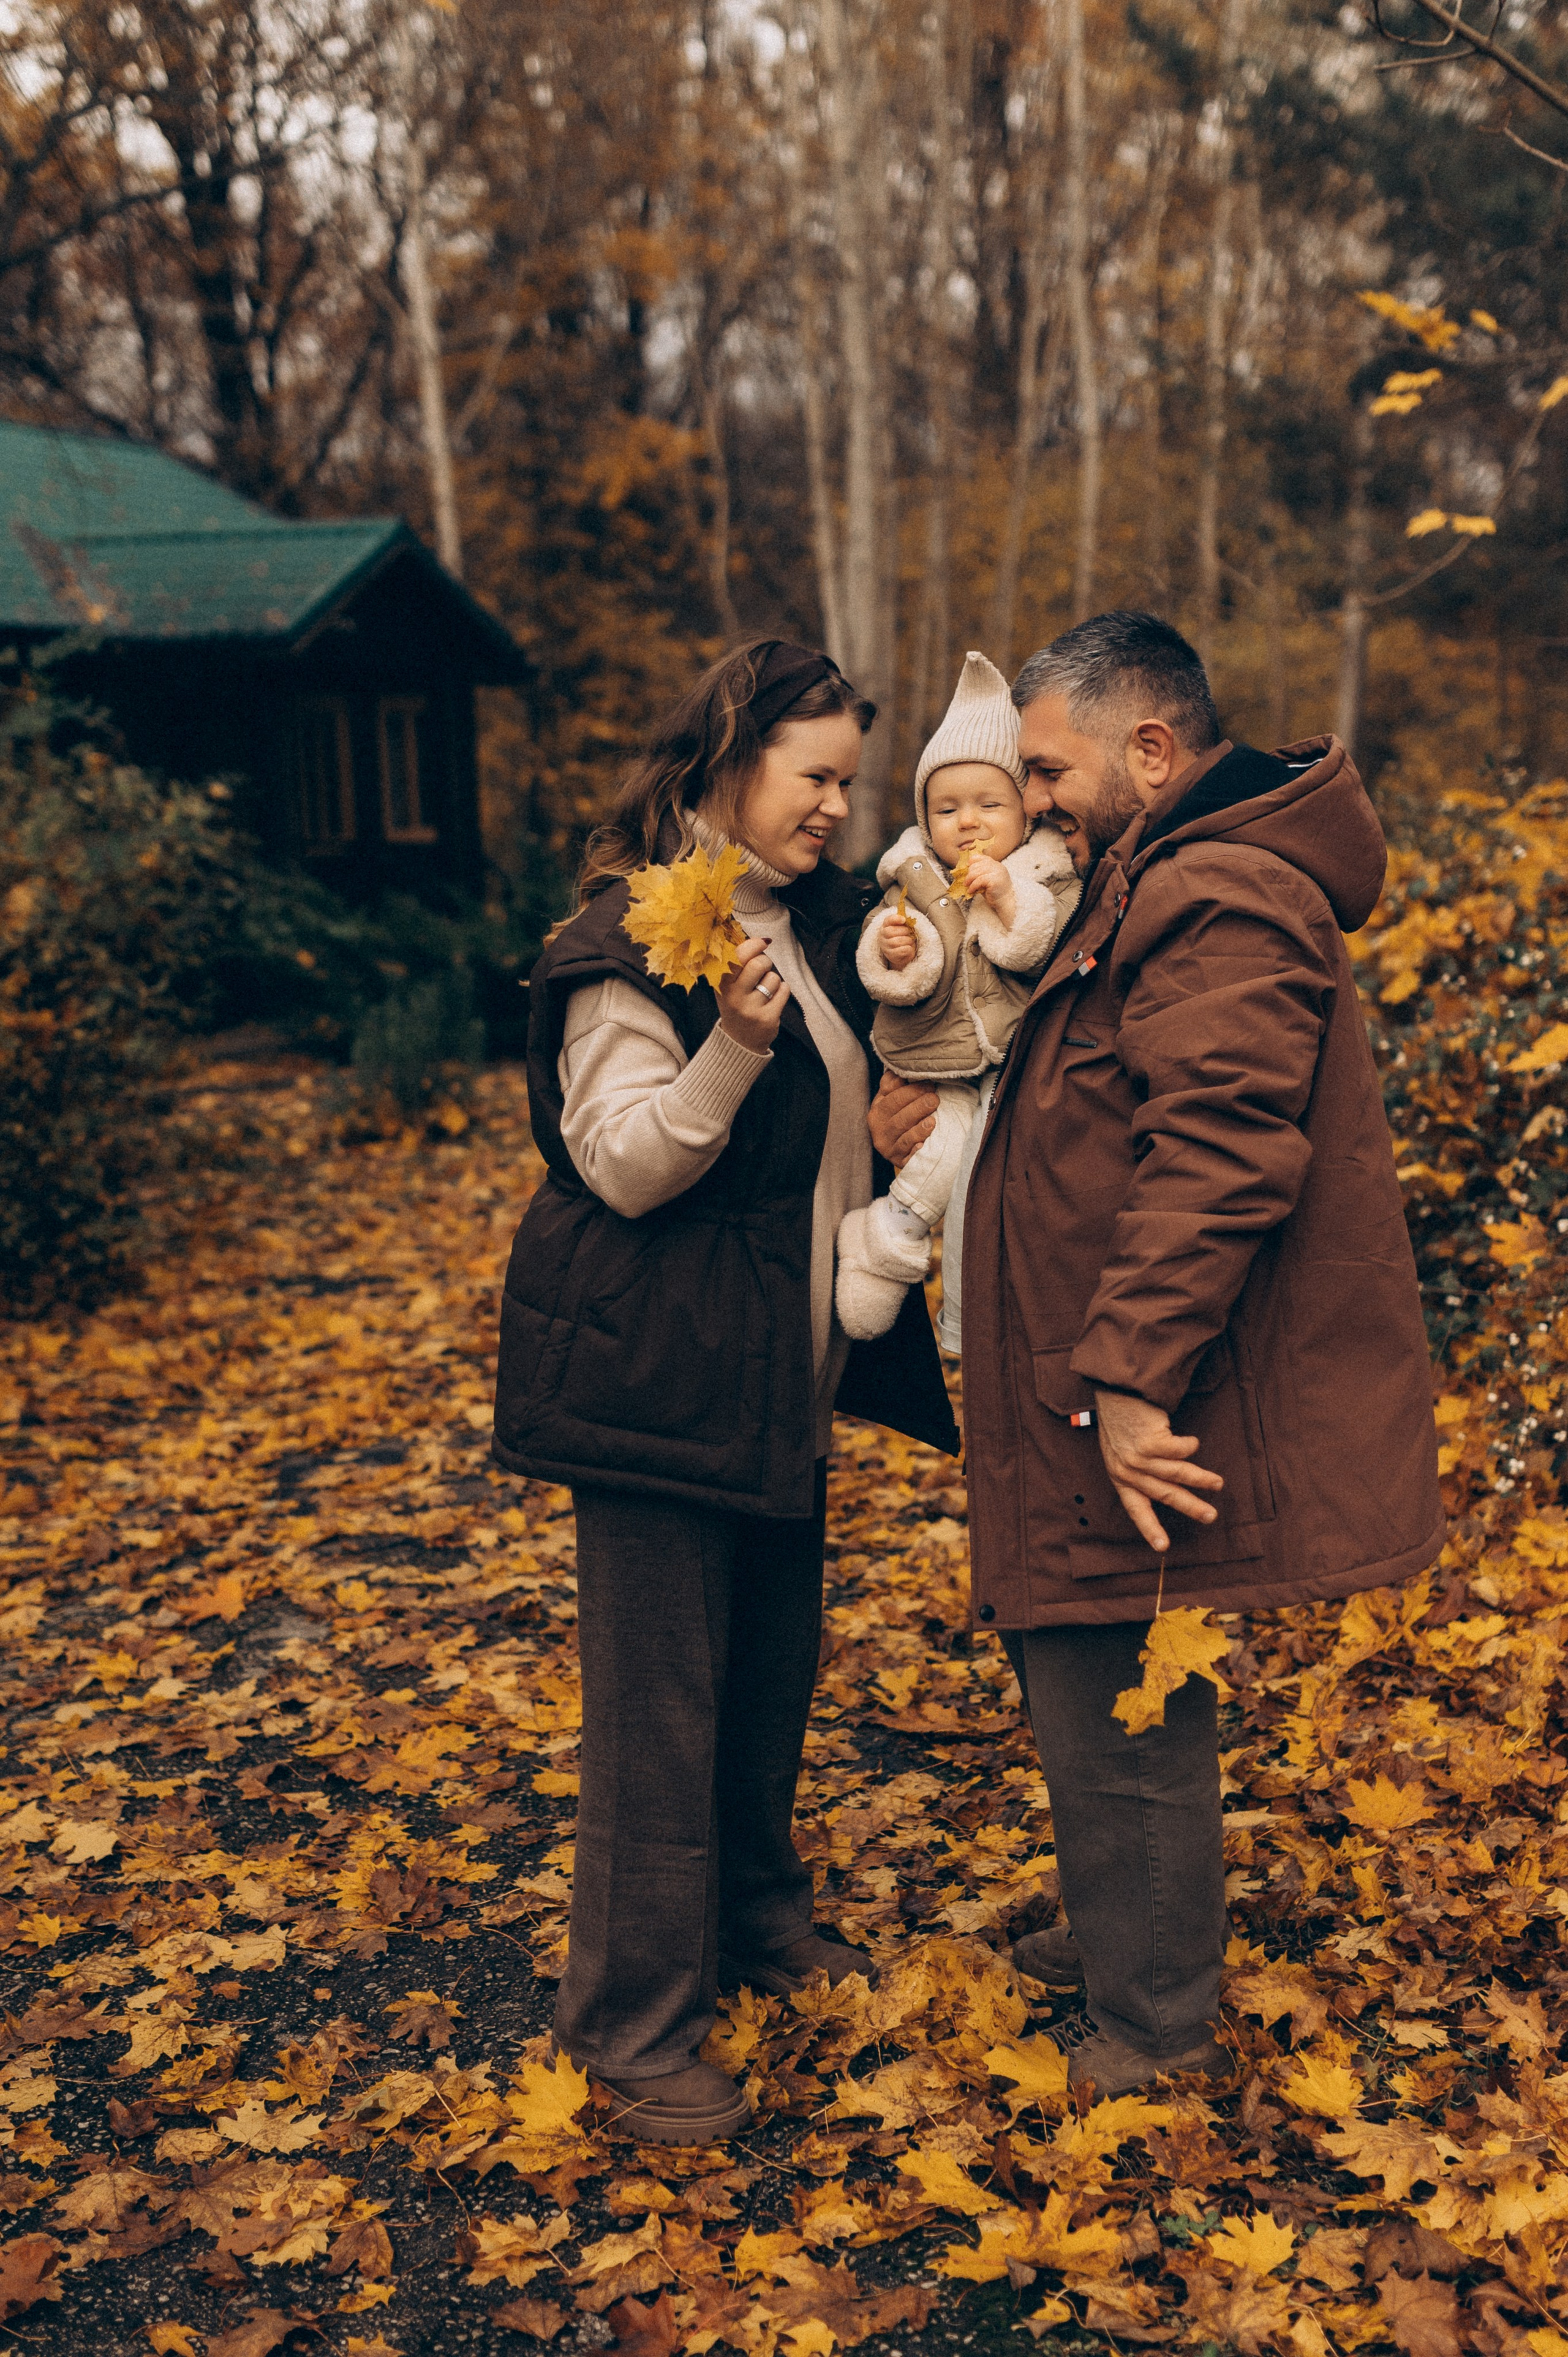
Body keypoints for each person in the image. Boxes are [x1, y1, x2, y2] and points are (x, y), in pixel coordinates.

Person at [934, 609, 1442, 2098]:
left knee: (1117, 1676)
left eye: (1047, 771)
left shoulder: (1217, 892)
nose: (1030, 801)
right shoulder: (1153, 871)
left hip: (1133, 1373)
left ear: (1149, 749)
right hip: (1088, 1358)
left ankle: (1152, 2024)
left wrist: (1130, 1372)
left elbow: (1216, 1150)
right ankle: (1123, 1929)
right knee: (1078, 1652)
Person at [491, 637, 957, 2146]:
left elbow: (816, 1135)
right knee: (658, 1713)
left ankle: (754, 1920)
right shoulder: (627, 943)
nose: (834, 806)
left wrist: (887, 1123)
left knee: (763, 1674)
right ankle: (628, 2028)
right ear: (727, 759)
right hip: (659, 1381)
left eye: (846, 782)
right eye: (812, 776)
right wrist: (736, 1050)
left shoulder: (805, 924)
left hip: (771, 1375)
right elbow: (622, 1161)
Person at [834, 652, 1080, 1346]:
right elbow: (889, 958)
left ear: (1024, 809)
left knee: (981, 1173)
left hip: (1014, 1060)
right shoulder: (913, 875)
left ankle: (964, 1311)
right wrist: (896, 951)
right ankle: (889, 1237)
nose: (967, 823)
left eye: (988, 805)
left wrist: (1006, 897)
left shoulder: (1046, 872)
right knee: (940, 1156)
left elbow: (1035, 945)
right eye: (947, 809)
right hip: (937, 1057)